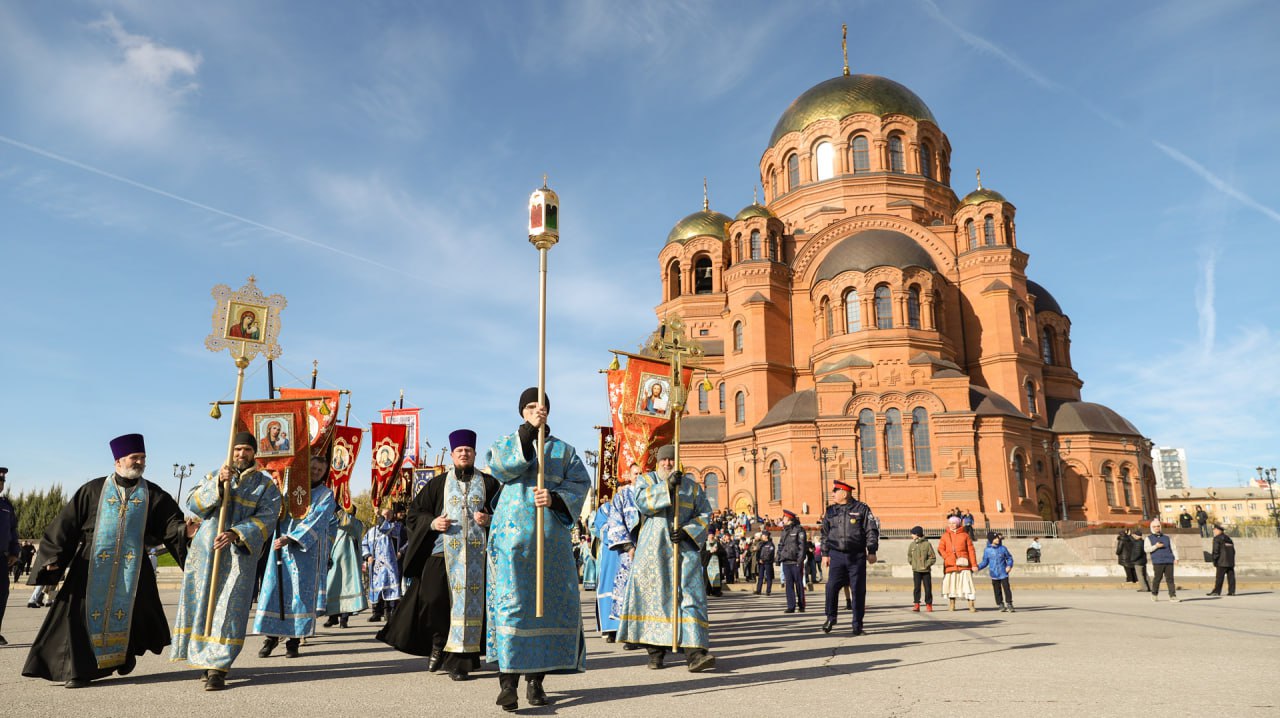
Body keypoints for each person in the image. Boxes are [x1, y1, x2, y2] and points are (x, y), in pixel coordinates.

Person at [22, 435, 189, 687]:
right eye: (135, 458)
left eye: (143, 458)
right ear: (118, 461)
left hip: (132, 570)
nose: (140, 462)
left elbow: (170, 524)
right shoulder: (93, 490)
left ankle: (121, 657)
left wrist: (186, 532)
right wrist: (54, 557)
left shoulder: (152, 493)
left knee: (131, 613)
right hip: (90, 566)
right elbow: (66, 525)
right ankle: (78, 671)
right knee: (77, 619)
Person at [485, 388, 592, 711]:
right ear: (522, 412)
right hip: (512, 543)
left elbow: (580, 484)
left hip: (550, 543)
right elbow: (500, 468)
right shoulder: (507, 443)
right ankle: (507, 685)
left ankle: (536, 682)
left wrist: (557, 498)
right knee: (512, 607)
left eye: (541, 406)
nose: (536, 410)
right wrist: (528, 434)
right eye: (530, 406)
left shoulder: (565, 451)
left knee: (543, 607)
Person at [380, 429, 500, 681]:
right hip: (440, 554)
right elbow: (414, 514)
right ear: (453, 455)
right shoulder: (437, 484)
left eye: (468, 450)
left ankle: (459, 662)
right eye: (459, 451)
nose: (464, 454)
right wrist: (433, 523)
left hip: (479, 558)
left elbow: (506, 514)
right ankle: (437, 642)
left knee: (468, 608)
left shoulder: (489, 484)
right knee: (433, 600)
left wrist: (490, 519)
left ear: (475, 453)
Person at [171, 431, 281, 690]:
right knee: (202, 605)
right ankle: (202, 659)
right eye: (237, 449)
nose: (241, 454)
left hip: (237, 557)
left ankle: (218, 667)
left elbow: (268, 517)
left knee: (229, 609)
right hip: (206, 553)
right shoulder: (213, 475)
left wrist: (236, 533)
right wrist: (218, 485)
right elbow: (192, 504)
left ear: (255, 453)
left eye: (246, 450)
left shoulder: (264, 486)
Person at [616, 443, 716, 673]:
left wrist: (689, 530)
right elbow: (642, 503)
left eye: (672, 460)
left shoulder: (691, 486)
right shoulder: (646, 481)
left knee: (689, 597)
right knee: (654, 598)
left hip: (684, 550)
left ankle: (695, 654)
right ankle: (655, 653)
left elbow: (704, 513)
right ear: (658, 462)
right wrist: (667, 488)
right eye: (664, 460)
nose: (668, 463)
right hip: (654, 552)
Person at [254, 450, 337, 658]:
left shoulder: (326, 494)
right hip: (280, 548)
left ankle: (294, 641)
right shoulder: (288, 489)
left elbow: (319, 519)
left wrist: (292, 538)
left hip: (305, 552)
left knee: (300, 594)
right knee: (277, 590)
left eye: (320, 470)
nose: (316, 472)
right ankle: (271, 638)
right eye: (313, 468)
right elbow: (274, 511)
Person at [820, 480, 879, 635]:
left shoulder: (862, 509)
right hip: (836, 555)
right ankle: (831, 617)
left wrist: (871, 550)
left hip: (856, 555)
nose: (832, 494)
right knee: (831, 587)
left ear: (844, 493)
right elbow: (825, 534)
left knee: (858, 590)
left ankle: (857, 623)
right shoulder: (831, 511)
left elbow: (871, 530)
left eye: (835, 491)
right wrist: (825, 553)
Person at [603, 465, 642, 645]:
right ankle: (629, 635)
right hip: (630, 553)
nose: (639, 476)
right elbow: (615, 521)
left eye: (642, 473)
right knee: (628, 592)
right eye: (636, 474)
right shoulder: (622, 496)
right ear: (629, 476)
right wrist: (628, 546)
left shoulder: (652, 493)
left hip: (650, 550)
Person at [322, 503, 368, 628]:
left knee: (346, 589)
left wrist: (338, 509)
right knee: (332, 588)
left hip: (348, 565)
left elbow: (346, 522)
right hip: (335, 562)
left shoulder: (356, 524)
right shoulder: (334, 526)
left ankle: (344, 618)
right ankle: (332, 617)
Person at [363, 504, 404, 621]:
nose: (385, 516)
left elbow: (384, 528)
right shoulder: (371, 531)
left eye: (388, 515)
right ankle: (376, 612)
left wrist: (400, 552)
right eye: (383, 515)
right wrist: (368, 556)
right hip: (376, 565)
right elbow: (364, 544)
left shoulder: (395, 527)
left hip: (389, 565)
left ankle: (388, 612)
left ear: (392, 516)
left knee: (389, 588)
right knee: (377, 589)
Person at [938, 515, 977, 612]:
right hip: (950, 565)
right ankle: (952, 605)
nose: (951, 525)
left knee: (968, 584)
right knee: (951, 585)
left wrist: (974, 565)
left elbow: (971, 551)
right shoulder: (945, 536)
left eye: (954, 523)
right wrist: (947, 557)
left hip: (964, 564)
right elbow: (940, 548)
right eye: (950, 523)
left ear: (958, 524)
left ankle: (971, 605)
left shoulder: (965, 535)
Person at [776, 509, 807, 613]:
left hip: (795, 562)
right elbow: (780, 545)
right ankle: (791, 606)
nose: (782, 519)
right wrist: (778, 558)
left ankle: (801, 605)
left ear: (789, 519)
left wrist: (800, 561)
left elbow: (802, 547)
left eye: (784, 517)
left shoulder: (799, 530)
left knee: (799, 584)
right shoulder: (784, 530)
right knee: (788, 584)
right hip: (786, 561)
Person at [978, 532, 1015, 612]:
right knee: (997, 589)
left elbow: (1009, 558)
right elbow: (985, 562)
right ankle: (1000, 604)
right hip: (994, 573)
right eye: (995, 538)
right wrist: (977, 567)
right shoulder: (987, 550)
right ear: (991, 540)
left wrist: (1009, 565)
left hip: (1003, 573)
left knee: (1006, 588)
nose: (997, 539)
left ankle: (1009, 603)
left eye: (998, 538)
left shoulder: (1003, 548)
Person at [0, 467, 17, 646]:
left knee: (2, 594)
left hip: (1, 558)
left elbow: (13, 530)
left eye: (2, 481)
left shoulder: (6, 506)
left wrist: (14, 552)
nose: (1, 484)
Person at [1144, 519, 1179, 602]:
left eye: (1158, 526)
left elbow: (1173, 548)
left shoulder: (1167, 538)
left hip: (1169, 560)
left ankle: (1172, 595)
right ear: (1151, 528)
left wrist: (1176, 558)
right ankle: (1154, 594)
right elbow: (1146, 549)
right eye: (1154, 526)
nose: (1157, 528)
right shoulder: (1148, 538)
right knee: (1157, 578)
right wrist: (1156, 546)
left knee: (1170, 579)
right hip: (1158, 561)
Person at [907, 525, 935, 612]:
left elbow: (932, 557)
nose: (911, 535)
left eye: (913, 534)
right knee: (916, 588)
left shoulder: (927, 544)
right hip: (916, 570)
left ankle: (929, 604)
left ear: (917, 534)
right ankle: (916, 604)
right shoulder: (912, 545)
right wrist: (913, 564)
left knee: (928, 588)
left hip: (925, 570)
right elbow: (909, 556)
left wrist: (926, 565)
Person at [1207, 524, 1236, 597]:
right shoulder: (1228, 538)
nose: (1214, 531)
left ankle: (1216, 591)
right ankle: (1231, 591)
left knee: (1219, 577)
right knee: (1231, 577)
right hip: (1230, 561)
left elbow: (1216, 550)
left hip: (1221, 561)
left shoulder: (1217, 538)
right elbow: (1233, 551)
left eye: (1215, 530)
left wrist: (1215, 560)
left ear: (1219, 530)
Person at [1122, 527, 1151, 591]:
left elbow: (1137, 553)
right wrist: (1129, 535)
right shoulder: (1141, 541)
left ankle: (1144, 588)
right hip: (1143, 561)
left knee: (1140, 575)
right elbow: (1133, 540)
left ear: (1137, 536)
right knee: (1145, 575)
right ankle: (1150, 587)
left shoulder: (1138, 543)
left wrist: (1132, 559)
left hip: (1138, 562)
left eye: (1135, 535)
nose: (1134, 536)